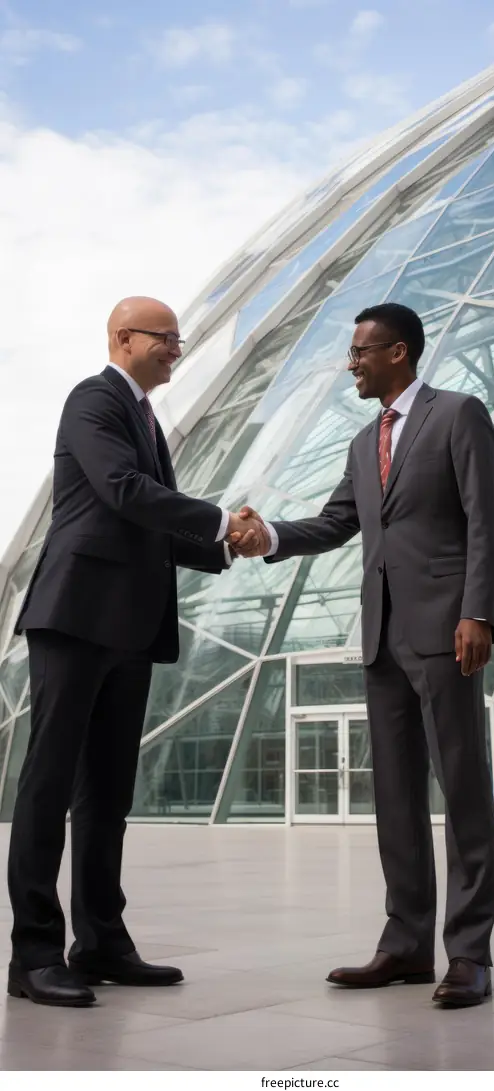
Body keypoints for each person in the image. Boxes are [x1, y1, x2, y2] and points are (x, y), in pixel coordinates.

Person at [233, 302, 494, 1008]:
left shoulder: (458, 414)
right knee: (395, 797)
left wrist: (477, 610)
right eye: (352, 353)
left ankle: (469, 952)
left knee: (463, 789)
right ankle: (406, 942)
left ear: (399, 353)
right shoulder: (363, 442)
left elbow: (485, 517)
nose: (351, 363)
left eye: (361, 351)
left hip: (448, 630)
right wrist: (271, 539)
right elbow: (336, 521)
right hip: (381, 634)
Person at [8, 297, 265, 1008]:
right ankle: (33, 954)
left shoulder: (147, 418)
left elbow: (149, 521)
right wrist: (220, 520)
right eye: (166, 338)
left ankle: (101, 942)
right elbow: (125, 493)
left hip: (127, 624)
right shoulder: (92, 400)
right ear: (124, 338)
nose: (177, 349)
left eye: (180, 340)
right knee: (50, 783)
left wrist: (227, 545)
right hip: (76, 615)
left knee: (107, 794)